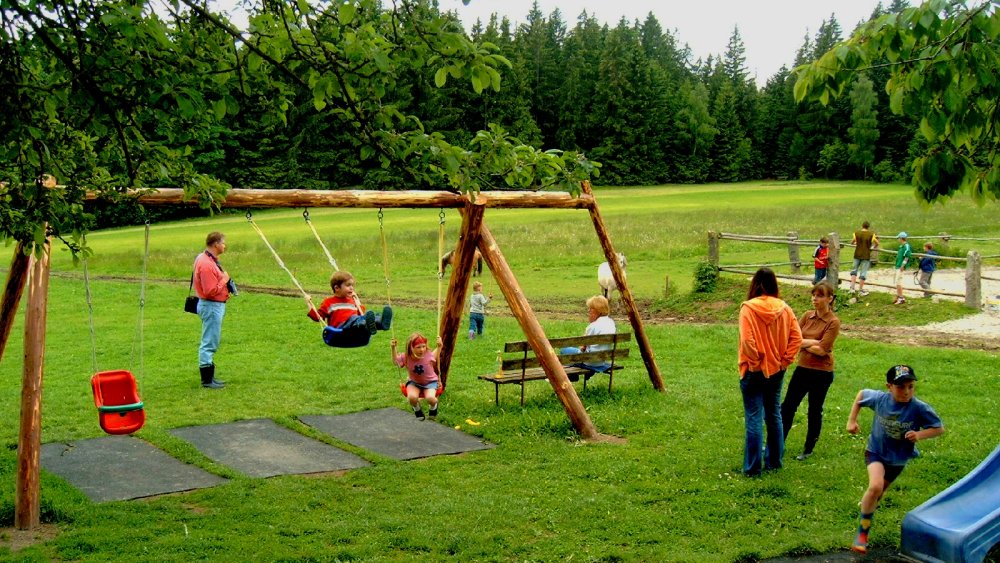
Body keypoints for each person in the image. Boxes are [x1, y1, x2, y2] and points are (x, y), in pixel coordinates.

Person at [846, 365, 944, 554]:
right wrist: (851, 421)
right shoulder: (880, 399)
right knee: (875, 487)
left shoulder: (919, 408)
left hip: (898, 458)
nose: (906, 392)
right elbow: (860, 395)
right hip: (875, 451)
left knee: (878, 493)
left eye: (910, 386)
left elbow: (938, 428)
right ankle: (862, 534)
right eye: (900, 387)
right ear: (889, 386)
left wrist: (919, 435)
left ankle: (867, 507)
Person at [738, 268, 802, 476]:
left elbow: (747, 341)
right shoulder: (785, 309)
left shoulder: (748, 308)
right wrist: (784, 361)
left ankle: (753, 467)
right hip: (776, 370)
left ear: (754, 284)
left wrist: (756, 362)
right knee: (774, 415)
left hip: (754, 371)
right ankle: (774, 462)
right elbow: (797, 338)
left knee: (754, 416)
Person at [781, 282, 840, 461]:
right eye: (813, 295)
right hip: (803, 368)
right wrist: (812, 342)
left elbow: (823, 350)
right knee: (788, 406)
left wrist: (803, 343)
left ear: (830, 299)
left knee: (814, 409)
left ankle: (808, 448)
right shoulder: (807, 316)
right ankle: (778, 443)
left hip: (821, 372)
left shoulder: (833, 322)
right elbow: (791, 338)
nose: (815, 298)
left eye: (820, 295)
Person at [193, 231, 236, 389]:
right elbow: (210, 290)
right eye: (223, 242)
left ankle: (210, 377)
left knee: (211, 340)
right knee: (209, 341)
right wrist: (224, 280)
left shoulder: (204, 258)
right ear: (216, 244)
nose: (225, 245)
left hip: (213, 305)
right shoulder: (206, 264)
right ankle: (207, 380)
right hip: (211, 306)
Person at [306, 271, 392, 338]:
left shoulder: (351, 301)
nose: (352, 288)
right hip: (340, 330)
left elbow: (360, 313)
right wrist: (308, 303)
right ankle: (367, 325)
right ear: (337, 288)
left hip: (355, 327)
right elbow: (318, 317)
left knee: (369, 317)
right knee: (355, 319)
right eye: (348, 285)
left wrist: (357, 300)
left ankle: (382, 323)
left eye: (352, 285)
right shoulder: (329, 302)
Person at [560, 295, 616, 380]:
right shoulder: (611, 322)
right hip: (602, 360)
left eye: (591, 309)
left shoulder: (593, 326)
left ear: (597, 311)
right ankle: (574, 374)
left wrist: (591, 323)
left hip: (589, 362)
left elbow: (582, 348)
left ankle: (571, 376)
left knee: (564, 350)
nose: (589, 311)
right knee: (572, 350)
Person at [392, 333, 442, 420]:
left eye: (423, 346)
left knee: (431, 398)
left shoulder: (428, 354)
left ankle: (433, 407)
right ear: (411, 347)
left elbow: (437, 353)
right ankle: (417, 408)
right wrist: (393, 348)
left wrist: (439, 346)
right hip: (414, 383)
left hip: (430, 383)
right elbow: (396, 361)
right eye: (418, 347)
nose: (422, 349)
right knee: (411, 398)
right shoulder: (406, 357)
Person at [850, 221, 879, 296]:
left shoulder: (856, 233)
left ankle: (852, 288)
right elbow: (877, 243)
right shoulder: (871, 234)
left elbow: (852, 242)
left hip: (857, 254)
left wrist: (856, 243)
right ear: (868, 227)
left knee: (854, 271)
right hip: (866, 255)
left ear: (862, 226)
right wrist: (872, 247)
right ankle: (860, 290)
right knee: (863, 272)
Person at [893, 232, 913, 305]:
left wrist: (903, 265)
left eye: (898, 238)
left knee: (899, 282)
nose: (898, 239)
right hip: (898, 265)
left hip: (900, 266)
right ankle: (898, 296)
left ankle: (901, 298)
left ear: (901, 238)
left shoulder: (906, 246)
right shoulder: (901, 246)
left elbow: (907, 256)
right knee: (897, 282)